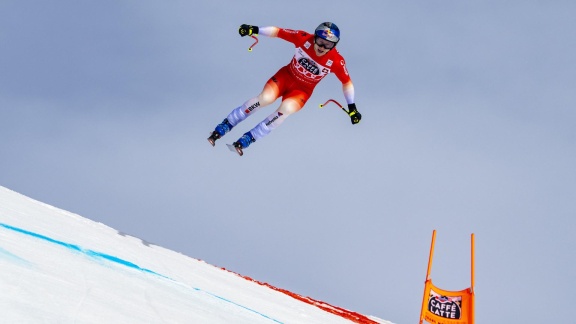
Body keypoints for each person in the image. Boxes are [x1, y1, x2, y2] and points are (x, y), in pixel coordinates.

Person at [208, 22, 361, 156]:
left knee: (285, 110)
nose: (322, 47)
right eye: (320, 41)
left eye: (328, 45)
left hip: (301, 91)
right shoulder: (302, 38)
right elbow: (278, 32)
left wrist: (352, 107)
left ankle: (248, 138)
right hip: (285, 77)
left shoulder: (336, 61)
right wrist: (253, 29)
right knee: (265, 99)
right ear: (314, 37)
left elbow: (346, 82)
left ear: (334, 45)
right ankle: (225, 125)